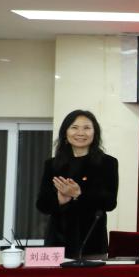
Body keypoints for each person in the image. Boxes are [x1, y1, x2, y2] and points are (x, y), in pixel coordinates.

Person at [35, 109, 118, 258]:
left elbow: (110, 202)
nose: (81, 133)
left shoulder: (107, 163)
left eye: (86, 128)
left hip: (91, 242)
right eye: (74, 127)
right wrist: (60, 199)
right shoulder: (52, 165)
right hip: (57, 243)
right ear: (65, 133)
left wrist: (79, 194)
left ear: (95, 133)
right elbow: (42, 204)